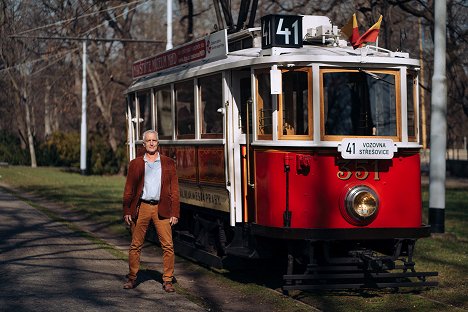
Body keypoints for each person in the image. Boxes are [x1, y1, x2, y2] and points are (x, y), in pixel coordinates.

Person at [122, 130, 180, 293]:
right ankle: (132, 278)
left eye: (154, 140)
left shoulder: (168, 163)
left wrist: (175, 212)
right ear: (144, 144)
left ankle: (167, 280)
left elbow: (174, 190)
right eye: (149, 141)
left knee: (168, 245)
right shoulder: (136, 164)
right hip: (142, 207)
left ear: (158, 143)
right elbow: (129, 189)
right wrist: (127, 209)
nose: (152, 143)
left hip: (162, 208)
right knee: (135, 245)